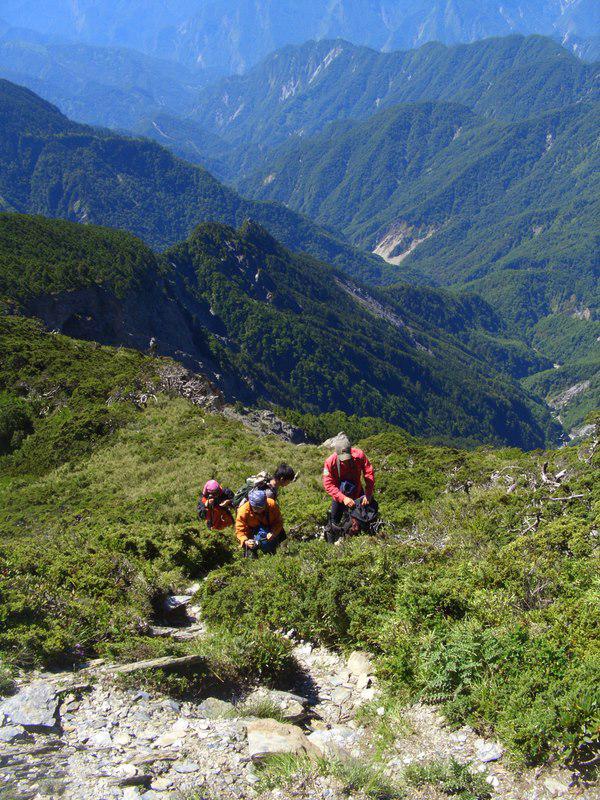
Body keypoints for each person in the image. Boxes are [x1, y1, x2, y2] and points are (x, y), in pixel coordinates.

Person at [322, 434, 375, 525]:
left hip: (357, 491)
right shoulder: (330, 462)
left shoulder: (359, 455)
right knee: (334, 522)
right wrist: (343, 498)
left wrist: (368, 494)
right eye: (342, 459)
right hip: (339, 494)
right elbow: (328, 484)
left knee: (363, 518)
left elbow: (369, 473)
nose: (345, 461)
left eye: (347, 457)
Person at [235, 488, 284, 557]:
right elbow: (240, 530)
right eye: (256, 508)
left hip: (270, 528)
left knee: (281, 539)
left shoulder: (271, 504)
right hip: (252, 534)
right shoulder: (243, 512)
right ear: (251, 504)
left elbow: (278, 522)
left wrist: (273, 533)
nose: (260, 510)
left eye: (262, 507)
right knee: (250, 555)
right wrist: (246, 541)